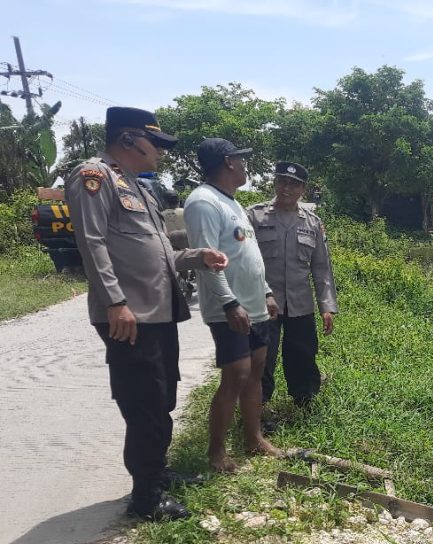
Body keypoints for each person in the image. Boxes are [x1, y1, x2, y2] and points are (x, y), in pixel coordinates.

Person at [65, 107, 228, 522]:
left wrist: (197, 256)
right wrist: (115, 302)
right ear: (127, 140)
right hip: (130, 315)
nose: (160, 151)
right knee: (143, 403)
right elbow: (92, 241)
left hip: (158, 312)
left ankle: (159, 471)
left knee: (162, 396)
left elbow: (158, 251)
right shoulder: (96, 177)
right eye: (154, 142)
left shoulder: (138, 187)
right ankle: (146, 497)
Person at [183, 138, 281, 472]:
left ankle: (254, 439)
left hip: (254, 305)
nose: (245, 165)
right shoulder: (203, 202)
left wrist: (266, 292)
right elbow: (207, 257)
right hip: (231, 308)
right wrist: (228, 302)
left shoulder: (233, 203)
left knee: (255, 370)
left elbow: (245, 254)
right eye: (241, 160)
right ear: (228, 162)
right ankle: (216, 452)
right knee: (235, 375)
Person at [247, 162, 337, 408]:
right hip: (264, 303)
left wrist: (326, 306)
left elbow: (321, 267)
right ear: (275, 183)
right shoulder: (254, 216)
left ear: (303, 190)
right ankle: (258, 407)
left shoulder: (312, 222)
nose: (286, 188)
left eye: (294, 184)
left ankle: (304, 400)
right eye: (282, 182)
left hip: (300, 303)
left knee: (302, 354)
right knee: (263, 356)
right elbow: (244, 261)